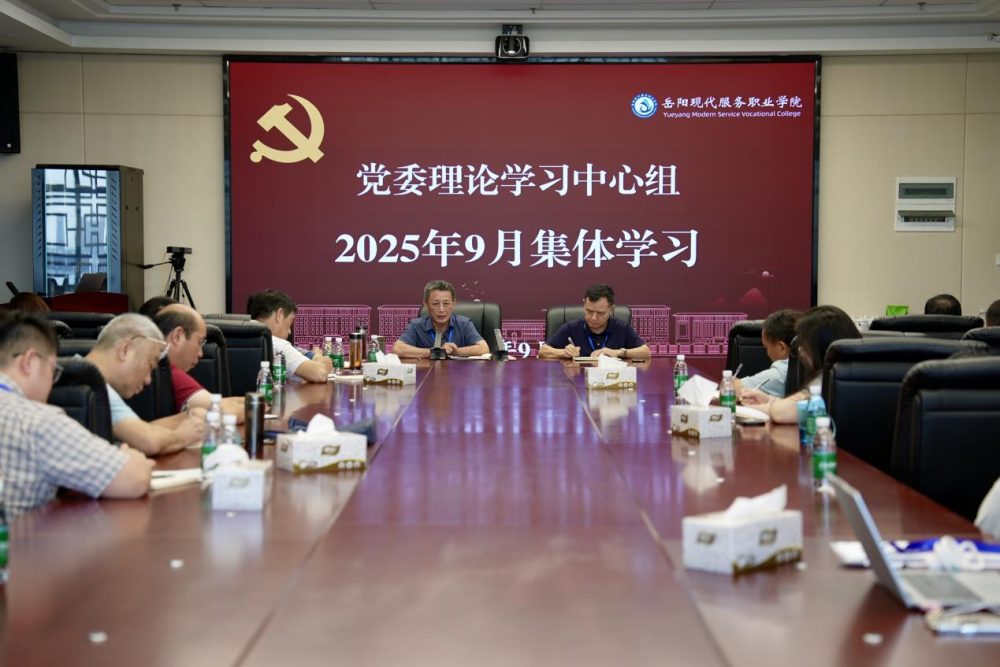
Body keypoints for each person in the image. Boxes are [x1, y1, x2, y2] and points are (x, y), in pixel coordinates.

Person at [0, 311, 152, 519]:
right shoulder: (37, 421)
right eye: (53, 371)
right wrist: (131, 457)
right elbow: (134, 479)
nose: (52, 383)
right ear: (29, 362)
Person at [84, 313, 206, 455]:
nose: (148, 379)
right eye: (150, 365)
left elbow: (139, 431)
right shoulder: (92, 385)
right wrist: (183, 435)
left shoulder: (79, 374)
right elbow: (149, 442)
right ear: (125, 350)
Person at [740, 305, 861, 423]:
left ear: (818, 347)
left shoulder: (826, 378)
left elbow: (782, 412)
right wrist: (768, 399)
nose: (801, 353)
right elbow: (799, 405)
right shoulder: (853, 369)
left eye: (804, 346)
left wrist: (756, 408)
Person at [153, 303, 245, 421]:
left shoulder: (152, 360)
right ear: (177, 336)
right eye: (200, 342)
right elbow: (224, 413)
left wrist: (245, 400)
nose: (201, 354)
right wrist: (257, 405)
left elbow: (216, 402)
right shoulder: (167, 370)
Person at [539, 284, 650, 360]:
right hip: (578, 381)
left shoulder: (622, 327)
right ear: (584, 304)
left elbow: (646, 352)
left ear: (612, 309)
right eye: (589, 311)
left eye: (600, 313)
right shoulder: (571, 328)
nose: (593, 318)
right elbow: (543, 351)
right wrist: (563, 352)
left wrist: (617, 352)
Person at [248, 289, 332, 382]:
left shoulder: (241, 333)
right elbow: (320, 373)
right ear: (279, 315)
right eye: (290, 321)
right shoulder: (277, 345)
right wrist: (320, 362)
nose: (289, 332)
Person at [391, 280, 490, 358]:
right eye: (435, 304)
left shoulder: (464, 324)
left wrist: (454, 352)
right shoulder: (416, 326)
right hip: (427, 373)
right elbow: (397, 349)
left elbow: (483, 348)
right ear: (426, 304)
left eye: (446, 303)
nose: (441, 309)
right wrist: (435, 352)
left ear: (453, 303)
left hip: (458, 374)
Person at [732, 309, 800, 398]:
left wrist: (728, 381)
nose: (767, 353)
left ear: (782, 348)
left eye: (766, 347)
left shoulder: (781, 373)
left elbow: (729, 390)